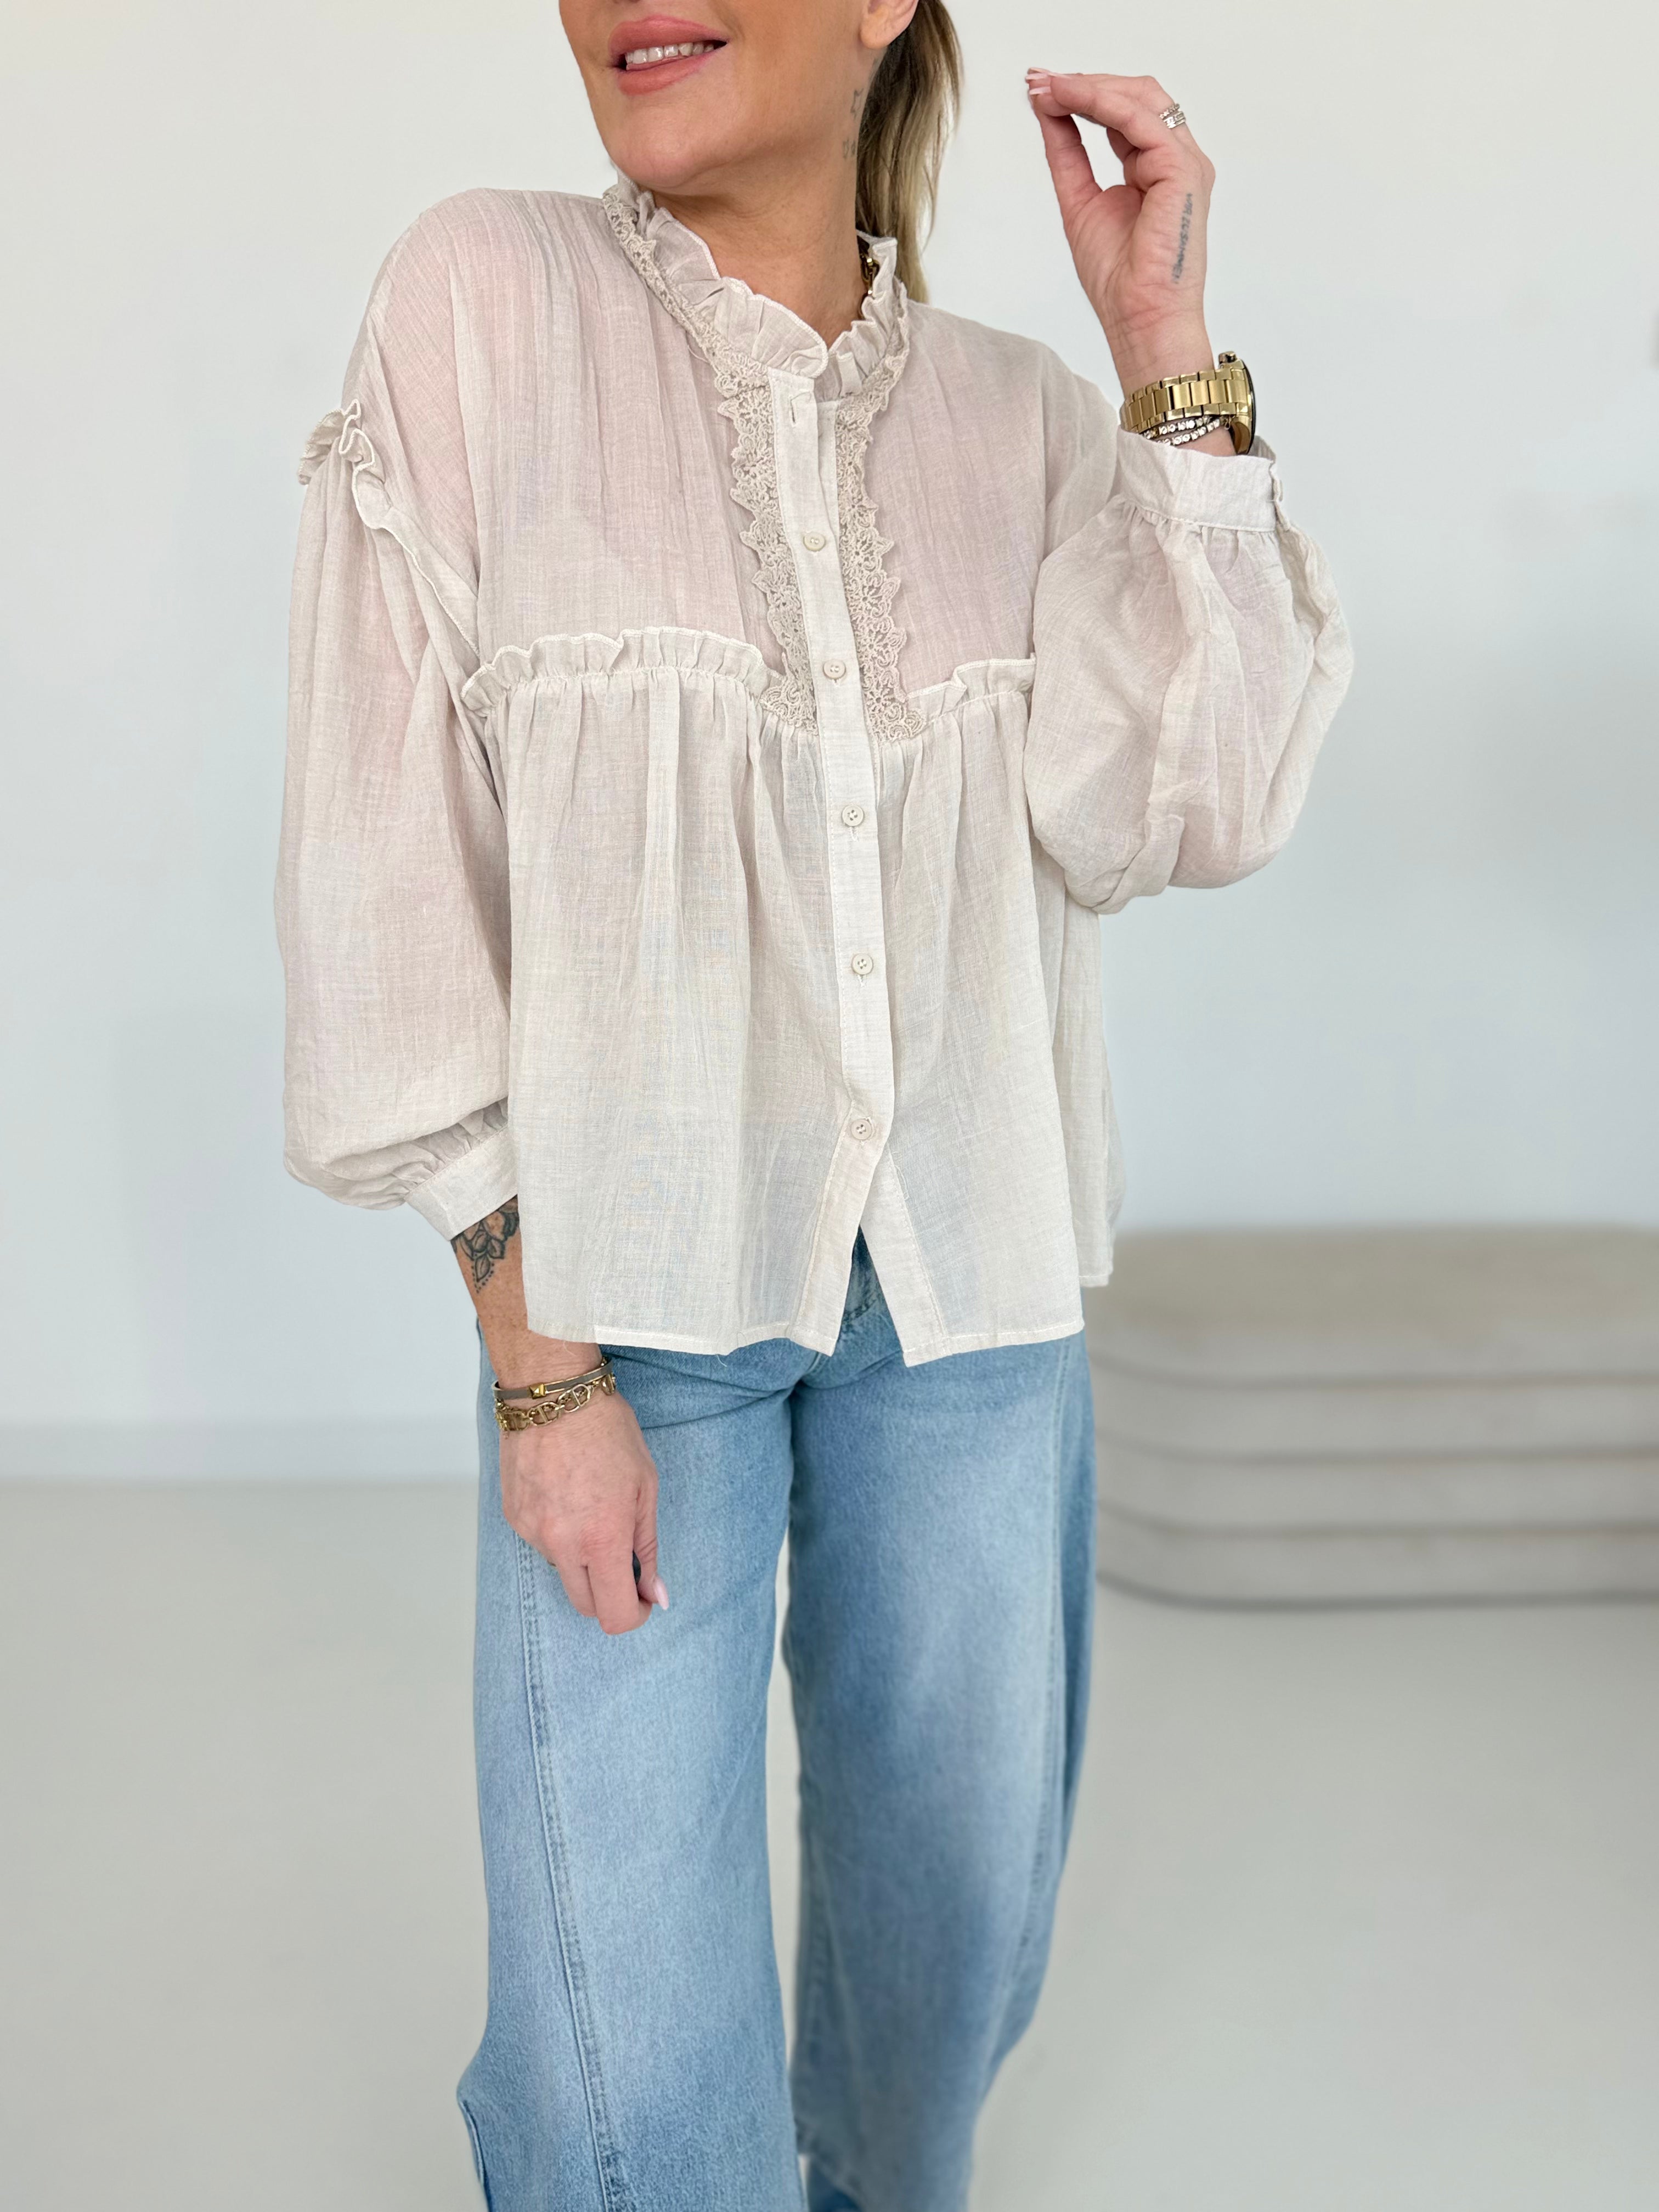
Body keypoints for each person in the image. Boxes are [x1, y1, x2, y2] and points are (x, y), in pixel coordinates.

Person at [277, 0, 1351, 2202]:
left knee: (948, 1937)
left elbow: (1186, 807)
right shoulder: (486, 301)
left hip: (973, 1301)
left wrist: (1165, 352)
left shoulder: (1025, 416)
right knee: (618, 2052)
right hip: (623, 1303)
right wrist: (536, 1365)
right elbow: (385, 850)